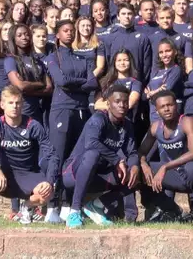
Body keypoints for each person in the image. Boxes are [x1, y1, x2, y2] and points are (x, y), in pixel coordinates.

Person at [0, 85, 59, 226]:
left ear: (22, 104)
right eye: (11, 103)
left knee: (47, 193)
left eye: (18, 103)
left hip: (28, 175)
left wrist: (49, 181)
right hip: (4, 178)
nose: (15, 106)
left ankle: (26, 207)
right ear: (2, 105)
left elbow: (52, 155)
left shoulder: (33, 126)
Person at [62, 85, 140, 228]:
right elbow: (91, 143)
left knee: (135, 174)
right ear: (108, 104)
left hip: (98, 176)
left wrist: (135, 166)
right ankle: (74, 211)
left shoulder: (127, 125)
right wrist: (117, 160)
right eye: (117, 101)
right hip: (73, 174)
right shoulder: (98, 119)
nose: (122, 105)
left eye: (125, 101)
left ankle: (96, 206)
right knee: (93, 154)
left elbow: (133, 152)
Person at [45, 19, 99, 222]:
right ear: (58, 34)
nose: (69, 34)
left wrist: (76, 84)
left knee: (74, 159)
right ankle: (52, 206)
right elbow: (61, 81)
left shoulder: (82, 58)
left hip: (82, 111)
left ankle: (69, 204)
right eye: (65, 31)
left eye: (71, 31)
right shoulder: (53, 57)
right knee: (57, 158)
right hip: (61, 110)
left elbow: (93, 83)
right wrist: (81, 83)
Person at [139, 91, 193, 225]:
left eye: (170, 105)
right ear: (157, 110)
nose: (166, 109)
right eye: (162, 106)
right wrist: (143, 164)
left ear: (176, 105)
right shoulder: (155, 127)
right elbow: (141, 152)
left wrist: (165, 166)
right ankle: (172, 211)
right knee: (138, 170)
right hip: (173, 175)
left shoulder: (186, 121)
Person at [4, 23, 52, 124]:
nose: (24, 37)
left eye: (26, 34)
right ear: (13, 38)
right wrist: (40, 84)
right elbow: (21, 86)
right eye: (20, 35)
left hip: (40, 110)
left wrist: (29, 89)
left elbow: (49, 88)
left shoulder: (36, 60)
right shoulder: (11, 60)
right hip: (23, 110)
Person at [106, 3, 152, 84]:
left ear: (134, 16)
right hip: (114, 84)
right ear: (118, 16)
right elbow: (107, 62)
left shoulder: (142, 38)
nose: (126, 16)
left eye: (129, 13)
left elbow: (146, 65)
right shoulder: (110, 38)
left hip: (136, 83)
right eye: (123, 14)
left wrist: (142, 83)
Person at [95, 49, 142, 122]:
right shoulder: (105, 82)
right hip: (105, 122)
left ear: (130, 62)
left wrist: (107, 105)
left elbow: (129, 104)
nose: (122, 63)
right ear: (114, 63)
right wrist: (116, 106)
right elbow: (97, 105)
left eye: (125, 60)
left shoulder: (135, 83)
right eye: (119, 60)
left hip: (125, 122)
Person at [146, 38, 185, 122]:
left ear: (175, 52)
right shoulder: (157, 72)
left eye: (167, 51)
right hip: (154, 114)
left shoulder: (176, 69)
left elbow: (167, 89)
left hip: (168, 114)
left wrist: (152, 92)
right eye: (161, 52)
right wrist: (155, 91)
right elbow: (145, 92)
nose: (164, 55)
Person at [148, 5, 193, 71]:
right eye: (162, 18)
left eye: (168, 17)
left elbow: (188, 62)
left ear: (173, 18)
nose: (165, 20)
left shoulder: (182, 39)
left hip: (176, 77)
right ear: (157, 20)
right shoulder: (151, 39)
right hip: (156, 77)